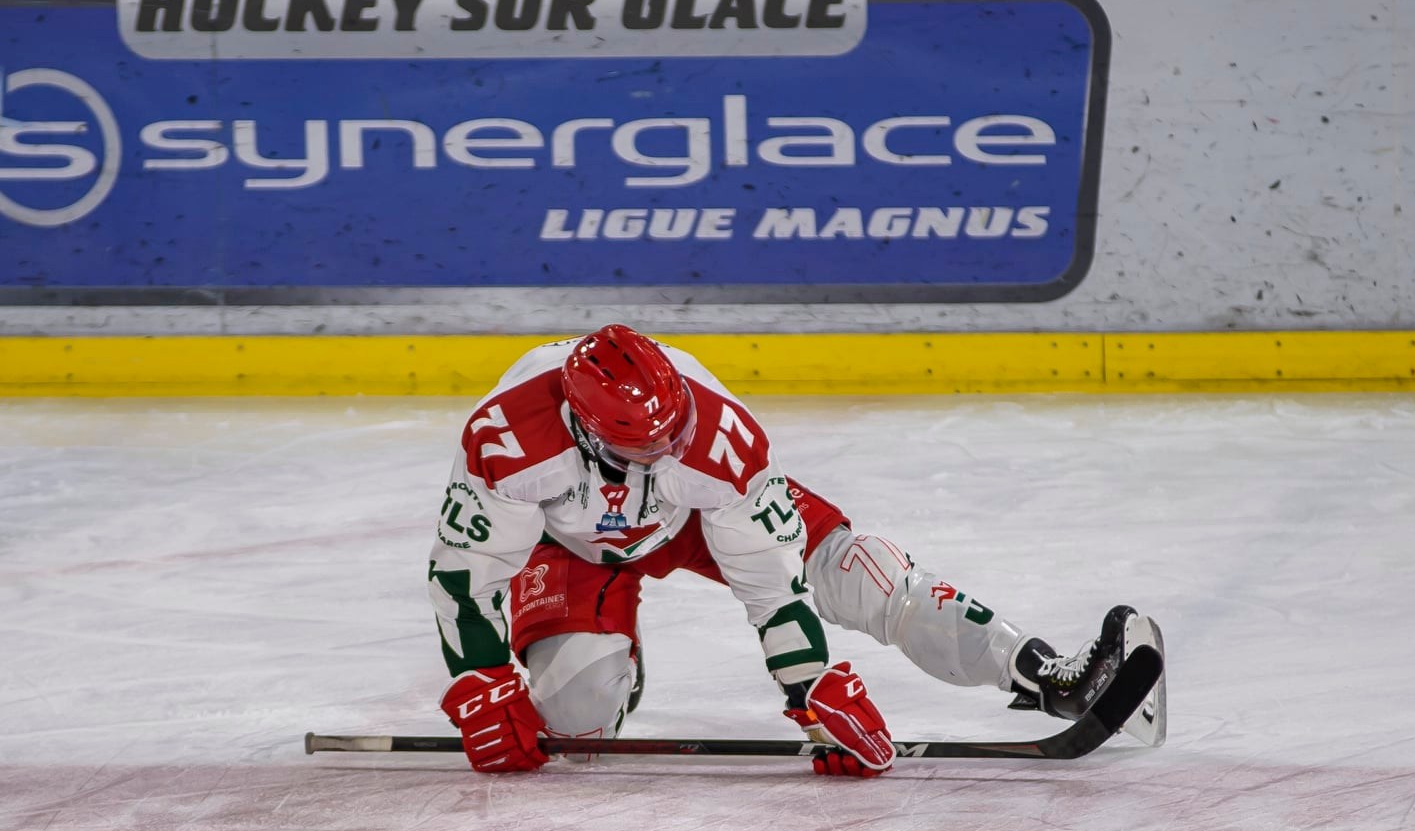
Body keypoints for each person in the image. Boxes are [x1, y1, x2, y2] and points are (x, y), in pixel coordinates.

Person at [428, 324, 1159, 776]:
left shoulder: (716, 440)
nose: (666, 452)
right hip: (568, 545)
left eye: (672, 434)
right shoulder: (508, 439)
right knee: (574, 731)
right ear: (584, 429)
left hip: (696, 515)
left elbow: (773, 588)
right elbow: (466, 576)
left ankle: (1041, 672)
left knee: (861, 571)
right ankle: (612, 654)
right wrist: (480, 679)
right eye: (639, 447)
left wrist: (811, 695)